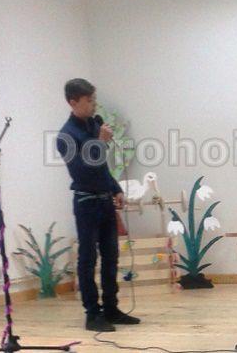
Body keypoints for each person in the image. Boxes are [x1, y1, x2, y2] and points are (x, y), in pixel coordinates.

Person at [57, 78, 140, 331]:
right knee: (88, 259)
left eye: (94, 99)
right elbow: (82, 171)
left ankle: (111, 308)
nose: (94, 105)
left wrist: (116, 188)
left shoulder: (94, 125)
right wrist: (100, 143)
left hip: (105, 201)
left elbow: (101, 167)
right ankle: (92, 314)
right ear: (73, 102)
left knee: (111, 256)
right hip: (86, 202)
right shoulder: (66, 136)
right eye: (89, 100)